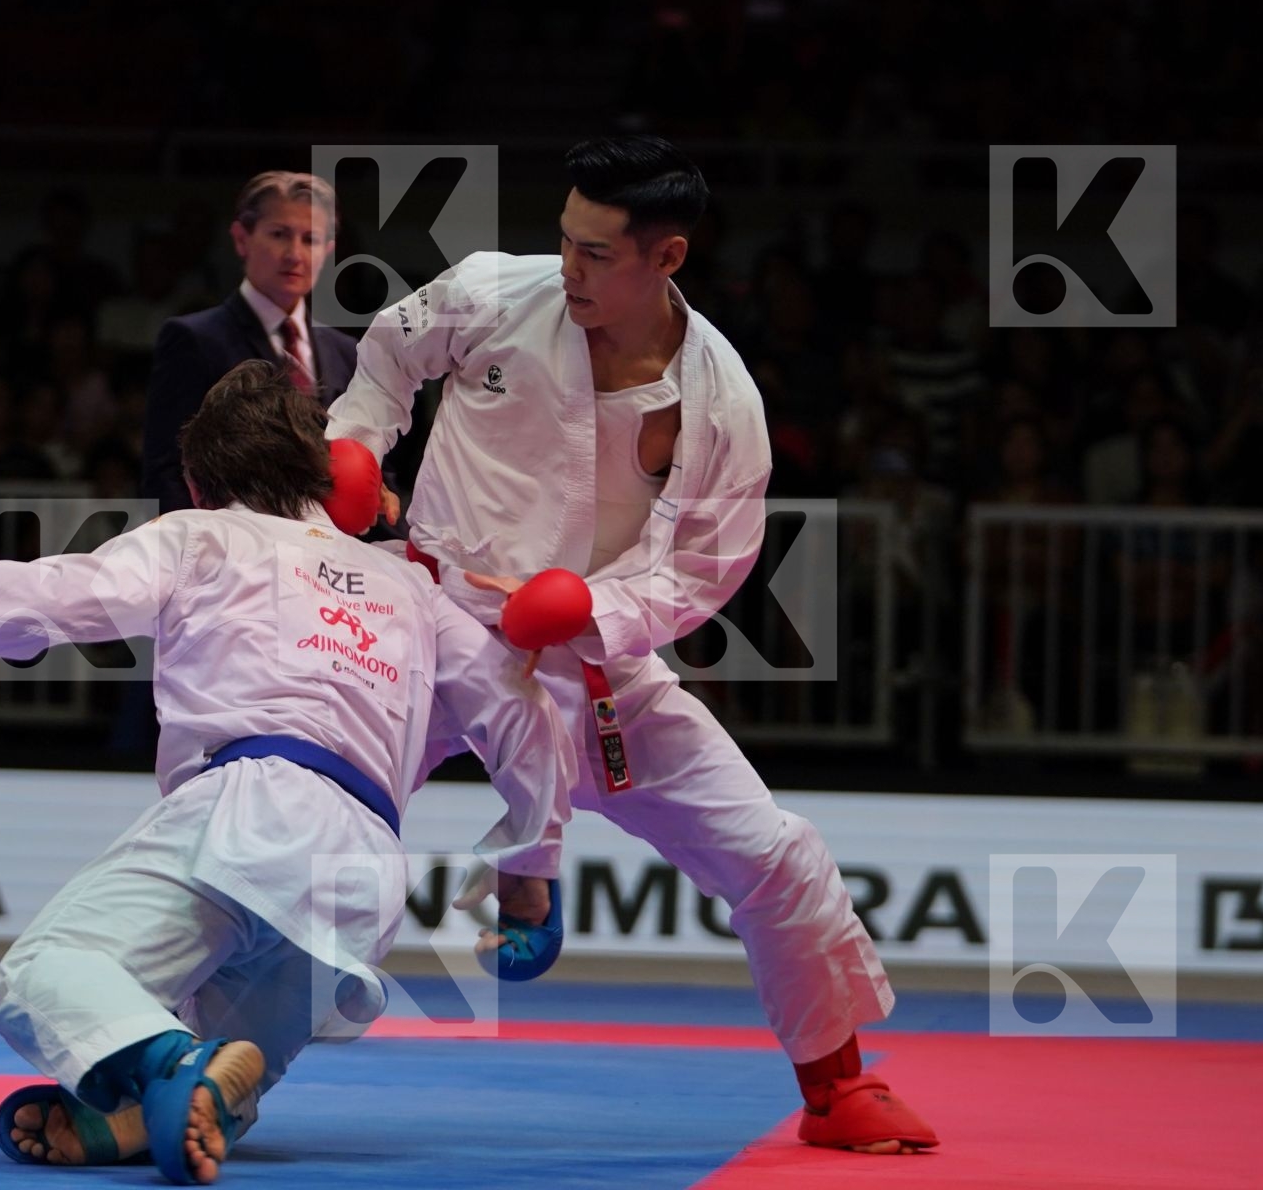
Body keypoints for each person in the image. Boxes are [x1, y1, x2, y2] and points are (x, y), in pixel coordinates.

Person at [0, 359, 572, 1184]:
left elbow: (55, 598)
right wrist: (531, 868)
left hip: (251, 816)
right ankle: (164, 1097)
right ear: (321, 475)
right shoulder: (413, 588)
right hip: (363, 875)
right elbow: (523, 715)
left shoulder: (203, 535)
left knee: (46, 974)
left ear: (199, 483)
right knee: (227, 1057)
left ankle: (166, 1066)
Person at [326, 135, 938, 1154]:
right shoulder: (492, 292)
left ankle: (837, 1086)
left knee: (779, 856)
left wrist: (593, 611)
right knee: (288, 816)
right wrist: (353, 440)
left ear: (668, 258)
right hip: (422, 636)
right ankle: (167, 1052)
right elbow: (388, 356)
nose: (568, 268)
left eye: (597, 254)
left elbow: (709, 564)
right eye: (565, 240)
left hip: (585, 658)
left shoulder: (720, 398)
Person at [141, 172, 356, 516]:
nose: (294, 254)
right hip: (228, 549)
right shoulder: (194, 339)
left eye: (310, 239)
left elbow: (372, 471)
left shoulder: (346, 353)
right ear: (242, 239)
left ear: (328, 250)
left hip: (331, 553)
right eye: (279, 234)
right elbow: (167, 467)